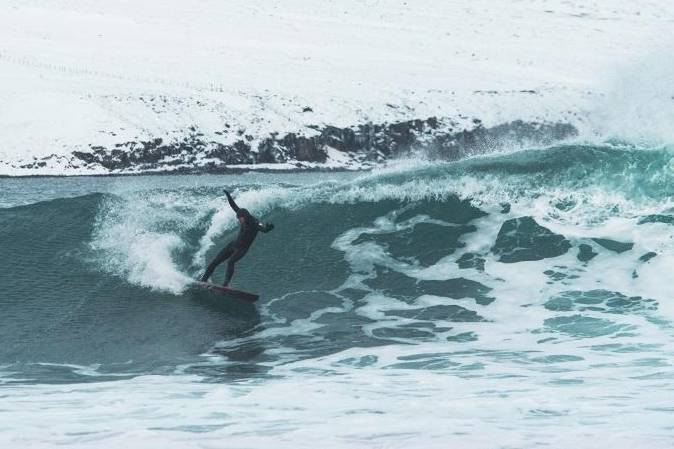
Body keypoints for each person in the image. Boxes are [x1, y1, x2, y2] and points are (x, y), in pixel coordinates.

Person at [200, 190, 274, 286]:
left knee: (230, 262)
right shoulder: (242, 214)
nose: (239, 220)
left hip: (242, 249)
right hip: (233, 245)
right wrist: (228, 195)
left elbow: (264, 230)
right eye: (238, 218)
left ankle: (225, 285)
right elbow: (233, 206)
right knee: (215, 261)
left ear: (245, 216)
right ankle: (203, 280)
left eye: (240, 218)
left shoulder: (254, 223)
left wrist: (269, 228)